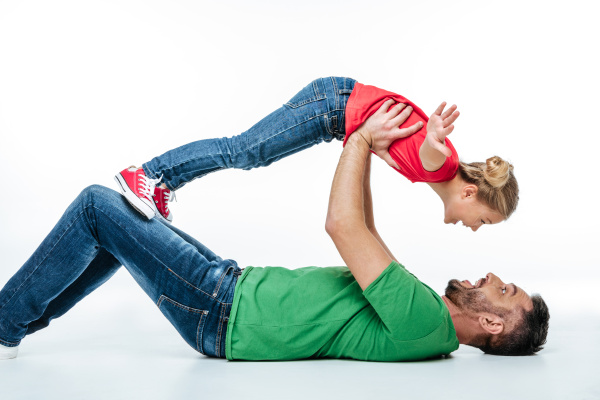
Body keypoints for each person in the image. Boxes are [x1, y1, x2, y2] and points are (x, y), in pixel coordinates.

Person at [0, 82, 549, 360]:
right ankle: (21, 323)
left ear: (494, 326)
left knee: (101, 204)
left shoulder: (426, 322)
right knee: (113, 226)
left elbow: (343, 226)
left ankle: (5, 320)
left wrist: (358, 138)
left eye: (504, 290)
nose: (490, 276)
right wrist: (362, 152)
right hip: (231, 286)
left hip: (223, 309)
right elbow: (367, 234)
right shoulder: (424, 317)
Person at [115, 77, 517, 231]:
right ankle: (150, 174)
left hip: (334, 109)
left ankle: (161, 183)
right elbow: (433, 153)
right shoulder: (443, 165)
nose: (476, 228)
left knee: (249, 153)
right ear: (469, 193)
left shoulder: (437, 174)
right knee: (245, 151)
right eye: (482, 219)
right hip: (332, 106)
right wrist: (434, 137)